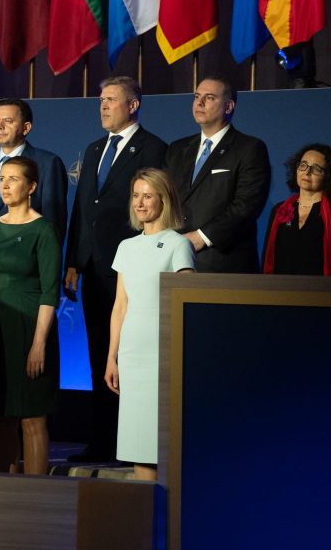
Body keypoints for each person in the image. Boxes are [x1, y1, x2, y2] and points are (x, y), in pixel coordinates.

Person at [63, 74, 167, 463]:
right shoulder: (93, 150)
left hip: (130, 269)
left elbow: (153, 209)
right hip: (92, 267)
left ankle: (133, 441)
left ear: (133, 104)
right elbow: (83, 207)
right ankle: (103, 438)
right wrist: (74, 260)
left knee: (127, 354)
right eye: (101, 100)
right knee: (98, 354)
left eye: (111, 99)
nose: (104, 106)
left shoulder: (153, 148)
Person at [0, 157, 60, 475]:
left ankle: (36, 497)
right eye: (1, 179)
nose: (4, 185)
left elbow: (50, 292)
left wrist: (39, 343)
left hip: (30, 328)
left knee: (33, 418)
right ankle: (7, 493)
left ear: (31, 186)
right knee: (1, 417)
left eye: (13, 179)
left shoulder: (43, 230)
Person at [105, 168, 195, 480]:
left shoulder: (177, 244)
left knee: (163, 444)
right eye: (135, 196)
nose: (139, 203)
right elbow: (120, 306)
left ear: (164, 199)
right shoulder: (126, 247)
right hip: (132, 354)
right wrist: (112, 356)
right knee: (137, 444)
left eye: (147, 196)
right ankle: (147, 520)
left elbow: (187, 304)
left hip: (163, 353)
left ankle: (169, 521)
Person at [164, 76, 271, 273]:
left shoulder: (249, 148)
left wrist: (201, 237)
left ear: (229, 107)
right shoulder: (177, 148)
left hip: (223, 263)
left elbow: (246, 206)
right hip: (177, 261)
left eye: (210, 97)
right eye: (197, 96)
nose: (200, 102)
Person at [0, 99, 67, 267]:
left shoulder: (47, 164)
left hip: (26, 269)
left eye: (8, 121)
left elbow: (53, 222)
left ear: (26, 128)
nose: (0, 126)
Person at [261, 144, 331, 276]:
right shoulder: (280, 209)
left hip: (323, 294)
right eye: (303, 164)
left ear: (329, 176)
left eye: (316, 169)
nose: (307, 172)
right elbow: (268, 257)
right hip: (282, 293)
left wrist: (329, 288)